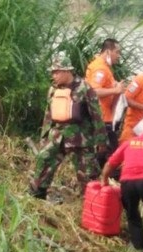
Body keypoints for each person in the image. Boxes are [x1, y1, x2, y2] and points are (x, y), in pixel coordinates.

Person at [29, 52, 107, 200]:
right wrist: (44, 138)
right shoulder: (53, 89)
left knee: (88, 173)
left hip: (81, 139)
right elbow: (48, 115)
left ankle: (93, 202)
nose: (54, 75)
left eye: (56, 72)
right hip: (57, 136)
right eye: (52, 72)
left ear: (66, 71)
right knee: (44, 160)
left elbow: (96, 115)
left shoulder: (85, 88)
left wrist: (101, 140)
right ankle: (37, 194)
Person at [100, 125, 143, 252]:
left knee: (132, 215)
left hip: (127, 181)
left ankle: (139, 247)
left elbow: (110, 164)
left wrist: (104, 180)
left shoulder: (130, 142)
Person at [85, 38, 125, 167]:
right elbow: (94, 91)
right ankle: (103, 179)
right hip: (101, 117)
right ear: (108, 52)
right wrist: (116, 89)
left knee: (105, 153)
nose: (118, 56)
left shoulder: (102, 66)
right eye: (117, 52)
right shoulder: (100, 69)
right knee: (110, 154)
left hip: (103, 116)